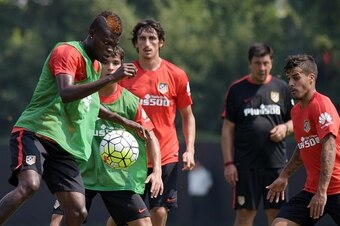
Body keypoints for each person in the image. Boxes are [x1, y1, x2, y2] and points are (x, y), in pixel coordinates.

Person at [0, 11, 143, 226]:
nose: (110, 49)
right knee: (29, 185)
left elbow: (91, 104)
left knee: (77, 211)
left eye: (113, 44)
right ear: (91, 34)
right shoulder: (67, 52)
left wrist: (123, 121)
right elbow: (66, 93)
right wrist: (113, 77)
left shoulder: (95, 66)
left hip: (63, 146)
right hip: (35, 133)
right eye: (106, 43)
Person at [49, 46, 163, 226]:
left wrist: (157, 171)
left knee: (144, 224)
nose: (110, 67)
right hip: (81, 175)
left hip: (117, 178)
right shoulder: (80, 94)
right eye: (105, 62)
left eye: (116, 63)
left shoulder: (130, 101)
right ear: (95, 65)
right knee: (58, 221)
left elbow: (150, 136)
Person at [107, 18, 196, 226]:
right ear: (136, 43)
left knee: (159, 212)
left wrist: (189, 149)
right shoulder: (125, 74)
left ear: (161, 42)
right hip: (130, 155)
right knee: (123, 216)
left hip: (166, 155)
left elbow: (188, 115)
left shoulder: (177, 75)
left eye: (152, 38)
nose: (147, 44)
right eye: (142, 39)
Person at [221, 42, 294, 226]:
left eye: (265, 63)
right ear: (249, 63)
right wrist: (229, 163)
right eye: (257, 63)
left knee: (278, 216)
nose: (262, 68)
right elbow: (227, 130)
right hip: (245, 165)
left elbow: (295, 121)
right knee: (245, 214)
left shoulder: (282, 88)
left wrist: (285, 129)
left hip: (276, 165)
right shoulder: (237, 90)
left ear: (271, 63)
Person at [266, 54, 340, 226]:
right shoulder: (296, 111)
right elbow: (303, 147)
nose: (291, 83)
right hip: (312, 191)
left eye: (296, 77)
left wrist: (322, 192)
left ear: (311, 78)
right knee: (279, 224)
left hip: (336, 189)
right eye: (289, 78)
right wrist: (284, 176)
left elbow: (329, 148)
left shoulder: (321, 104)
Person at [187, 160, 213, 226]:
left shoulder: (204, 173)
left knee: (203, 212)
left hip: (202, 196)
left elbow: (209, 183)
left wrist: (204, 189)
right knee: (193, 212)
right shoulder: (191, 173)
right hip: (193, 196)